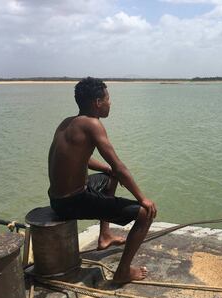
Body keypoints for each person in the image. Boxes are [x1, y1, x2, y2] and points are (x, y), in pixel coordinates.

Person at [48, 77, 157, 283]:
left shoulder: (68, 122)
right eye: (108, 99)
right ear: (97, 102)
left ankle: (105, 236)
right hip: (72, 201)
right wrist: (143, 198)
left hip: (57, 198)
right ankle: (123, 272)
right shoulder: (92, 124)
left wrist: (108, 170)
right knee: (145, 214)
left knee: (110, 177)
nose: (110, 103)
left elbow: (84, 158)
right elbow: (119, 166)